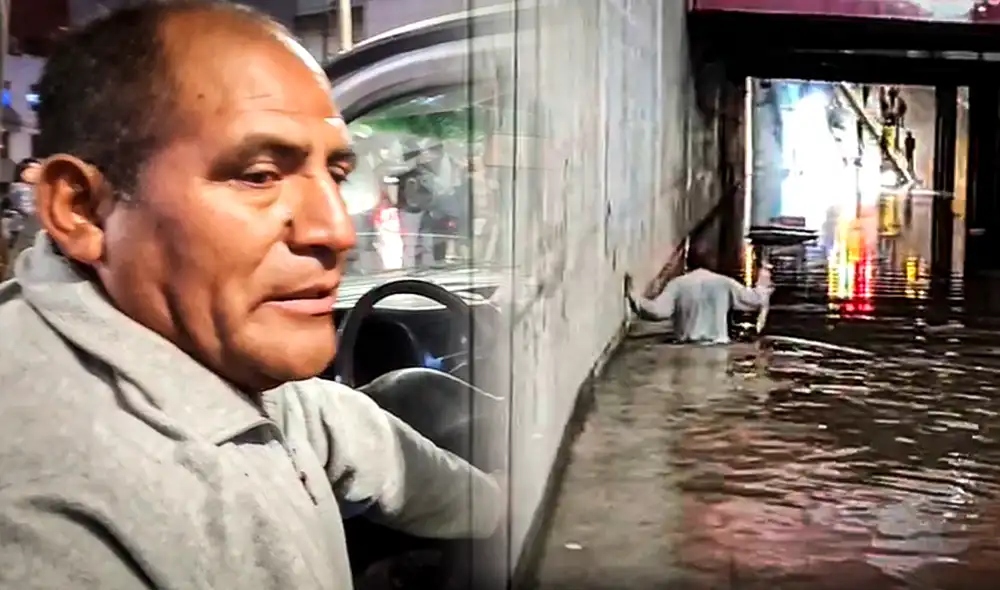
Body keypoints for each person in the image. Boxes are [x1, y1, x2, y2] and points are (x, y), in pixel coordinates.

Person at [0, 3, 501, 589]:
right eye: (259, 176)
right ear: (81, 210)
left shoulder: (187, 349)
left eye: (335, 175)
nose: (336, 229)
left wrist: (498, 508)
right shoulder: (50, 521)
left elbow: (336, 427)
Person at [626, 248, 773, 344]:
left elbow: (656, 312)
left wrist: (633, 297)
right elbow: (755, 301)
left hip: (686, 347)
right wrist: (763, 279)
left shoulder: (678, 284)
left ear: (688, 264)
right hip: (718, 348)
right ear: (712, 263)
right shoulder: (725, 283)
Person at [2, 157, 42, 278]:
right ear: (22, 173)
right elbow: (29, 209)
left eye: (40, 170)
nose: (37, 173)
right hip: (18, 231)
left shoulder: (35, 189)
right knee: (17, 263)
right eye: (32, 170)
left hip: (27, 230)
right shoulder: (20, 188)